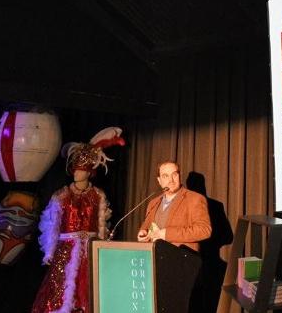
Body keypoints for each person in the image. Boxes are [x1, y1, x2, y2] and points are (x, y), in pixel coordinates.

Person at [31, 127, 123, 313]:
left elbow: (101, 224)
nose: (76, 174)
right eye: (75, 170)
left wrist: (102, 247)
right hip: (66, 249)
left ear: (89, 173)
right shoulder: (61, 195)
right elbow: (53, 224)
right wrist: (49, 251)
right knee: (61, 289)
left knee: (88, 289)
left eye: (81, 171)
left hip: (89, 248)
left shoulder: (98, 195)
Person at [137, 161, 212, 252]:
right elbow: (147, 226)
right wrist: (143, 233)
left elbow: (204, 230)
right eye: (165, 176)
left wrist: (167, 234)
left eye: (174, 175)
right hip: (154, 257)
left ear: (179, 176)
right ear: (159, 180)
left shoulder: (195, 199)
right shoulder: (153, 203)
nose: (171, 180)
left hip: (182, 259)